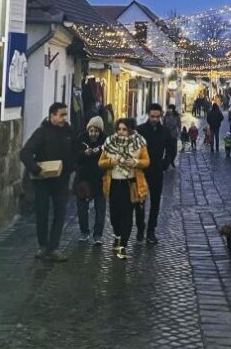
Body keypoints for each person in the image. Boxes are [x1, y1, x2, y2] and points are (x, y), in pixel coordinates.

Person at [19, 102, 74, 262]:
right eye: (61, 115)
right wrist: (35, 168)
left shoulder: (69, 132)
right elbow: (25, 152)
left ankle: (53, 247)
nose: (64, 118)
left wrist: (71, 166)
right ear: (52, 115)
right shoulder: (42, 132)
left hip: (61, 180)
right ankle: (43, 246)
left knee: (60, 213)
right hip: (43, 181)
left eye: (65, 115)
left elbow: (75, 151)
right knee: (42, 213)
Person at [98, 119, 149, 260]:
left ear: (129, 131)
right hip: (114, 183)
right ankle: (118, 235)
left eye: (124, 129)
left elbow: (146, 161)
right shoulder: (109, 143)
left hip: (130, 183)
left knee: (127, 215)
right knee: (114, 216)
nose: (121, 132)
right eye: (119, 129)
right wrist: (111, 162)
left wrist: (136, 162)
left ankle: (123, 246)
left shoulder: (138, 143)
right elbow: (101, 162)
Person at [135, 104, 177, 244]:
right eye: (152, 116)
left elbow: (172, 149)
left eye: (157, 117)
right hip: (141, 171)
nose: (154, 119)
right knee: (139, 201)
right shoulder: (139, 130)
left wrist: (165, 163)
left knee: (155, 202)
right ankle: (140, 227)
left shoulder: (164, 132)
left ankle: (151, 230)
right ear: (148, 115)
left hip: (157, 171)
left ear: (161, 116)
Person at [74, 116, 107, 244]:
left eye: (97, 131)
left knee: (100, 210)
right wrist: (84, 153)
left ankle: (98, 234)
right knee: (82, 209)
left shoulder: (105, 141)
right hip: (83, 179)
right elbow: (75, 157)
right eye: (91, 130)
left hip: (100, 179)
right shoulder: (81, 139)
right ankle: (84, 232)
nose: (93, 134)